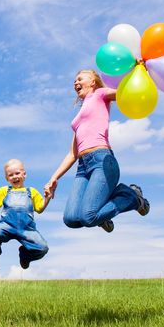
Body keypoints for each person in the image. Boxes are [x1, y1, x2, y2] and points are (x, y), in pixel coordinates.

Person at [44, 69, 150, 234]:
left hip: (102, 160)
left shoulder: (99, 94)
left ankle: (132, 197)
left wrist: (140, 72)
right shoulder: (78, 119)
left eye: (80, 79)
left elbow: (124, 93)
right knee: (71, 219)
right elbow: (72, 154)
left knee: (88, 216)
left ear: (93, 82)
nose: (75, 83)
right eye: (74, 81)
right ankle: (102, 213)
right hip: (83, 167)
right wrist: (54, 178)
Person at [0, 159, 50, 271]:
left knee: (43, 248)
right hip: (7, 226)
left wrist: (47, 197)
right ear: (7, 178)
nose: (14, 177)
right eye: (11, 175)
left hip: (27, 229)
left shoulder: (31, 191)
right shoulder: (5, 190)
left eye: (17, 173)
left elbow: (40, 208)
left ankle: (25, 256)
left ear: (24, 174)